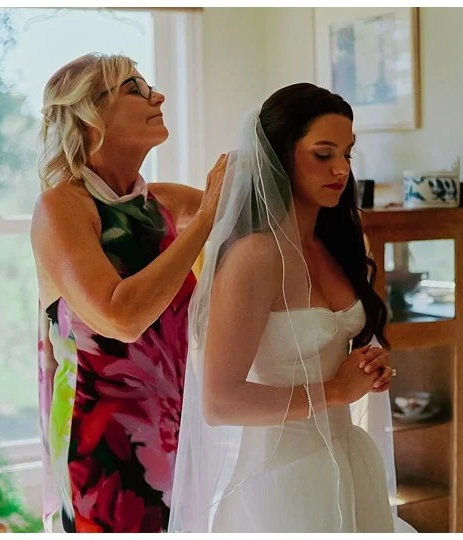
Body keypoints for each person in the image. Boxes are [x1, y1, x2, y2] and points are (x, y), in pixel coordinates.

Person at [168, 83, 417, 533]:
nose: (341, 169)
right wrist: (338, 391)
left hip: (349, 458)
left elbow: (334, 355)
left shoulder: (335, 245)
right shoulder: (255, 258)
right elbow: (220, 403)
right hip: (282, 483)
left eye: (347, 154)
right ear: (281, 155)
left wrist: (367, 365)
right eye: (324, 154)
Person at [31, 53, 224, 533]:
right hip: (100, 449)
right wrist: (202, 223)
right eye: (136, 89)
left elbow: (261, 228)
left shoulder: (161, 203)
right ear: (91, 114)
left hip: (177, 430)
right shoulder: (62, 207)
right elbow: (120, 318)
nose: (158, 97)